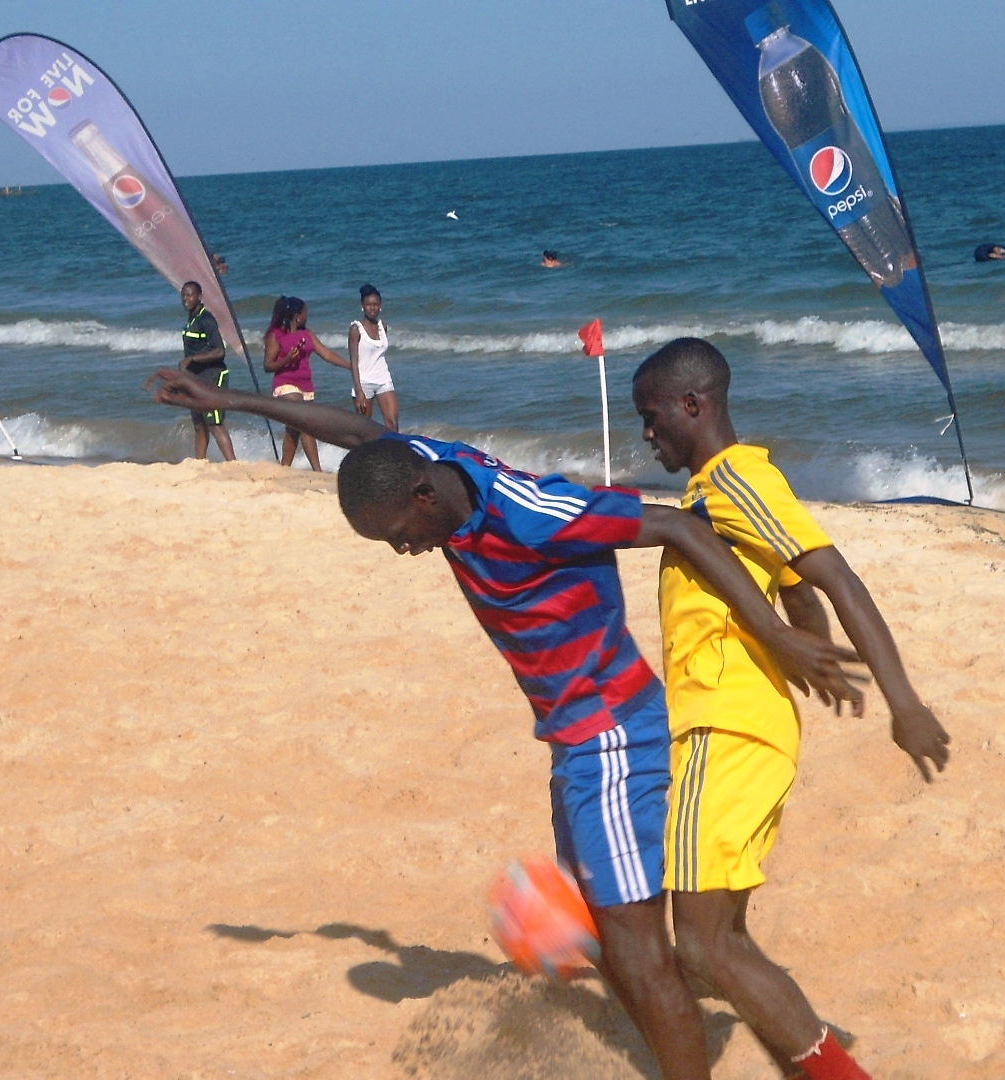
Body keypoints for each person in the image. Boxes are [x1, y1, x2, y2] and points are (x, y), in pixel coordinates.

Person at [144, 366, 862, 1080]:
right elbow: (358, 433)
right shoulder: (434, 468)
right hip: (572, 743)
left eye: (403, 534)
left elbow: (674, 523)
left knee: (642, 957)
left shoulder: (530, 512)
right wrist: (226, 400)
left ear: (422, 496)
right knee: (614, 949)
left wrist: (774, 631)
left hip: (610, 736)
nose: (406, 550)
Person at [631, 338, 951, 1080]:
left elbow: (834, 574)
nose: (647, 433)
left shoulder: (734, 480)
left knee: (703, 944)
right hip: (739, 724)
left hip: (727, 725)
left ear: (692, 404)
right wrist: (808, 646)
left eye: (652, 417)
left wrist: (903, 703)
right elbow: (798, 587)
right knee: (725, 936)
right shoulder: (717, 490)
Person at [263, 296, 351, 471]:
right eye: (305, 313)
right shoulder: (277, 335)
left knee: (293, 430)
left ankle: (284, 467)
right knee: (306, 422)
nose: (307, 316)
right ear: (297, 316)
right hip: (284, 385)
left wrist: (351, 366)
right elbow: (268, 366)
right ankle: (317, 470)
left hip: (306, 387)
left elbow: (327, 354)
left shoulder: (307, 334)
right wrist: (287, 359)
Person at [179, 280, 235, 462]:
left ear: (199, 297)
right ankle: (199, 463)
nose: (185, 299)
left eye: (189, 295)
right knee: (198, 423)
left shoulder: (206, 320)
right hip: (195, 378)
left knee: (214, 423)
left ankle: (232, 463)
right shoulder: (192, 319)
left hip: (213, 376)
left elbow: (220, 351)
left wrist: (192, 359)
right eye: (183, 295)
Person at [348, 284, 399, 432]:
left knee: (392, 424)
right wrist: (358, 391)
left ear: (380, 306)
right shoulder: (356, 330)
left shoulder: (383, 326)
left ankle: (393, 454)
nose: (373, 308)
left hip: (383, 379)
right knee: (365, 428)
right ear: (362, 306)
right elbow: (354, 361)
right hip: (364, 382)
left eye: (375, 304)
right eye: (369, 305)